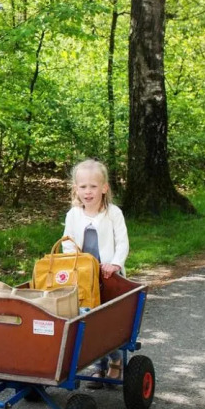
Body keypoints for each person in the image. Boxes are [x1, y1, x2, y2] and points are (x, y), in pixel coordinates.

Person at [62, 159, 129, 380]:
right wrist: (75, 262)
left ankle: (115, 360)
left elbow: (122, 242)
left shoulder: (113, 213)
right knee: (88, 318)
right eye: (83, 186)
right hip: (84, 276)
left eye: (93, 186)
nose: (88, 191)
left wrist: (115, 263)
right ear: (76, 189)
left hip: (108, 275)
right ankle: (99, 365)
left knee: (106, 321)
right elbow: (68, 243)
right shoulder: (73, 215)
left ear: (104, 188)